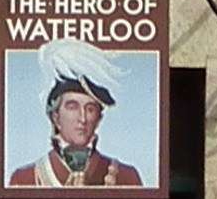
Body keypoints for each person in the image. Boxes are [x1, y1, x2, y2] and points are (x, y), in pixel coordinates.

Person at [9, 45, 145, 190]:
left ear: (99, 119)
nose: (83, 118)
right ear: (56, 117)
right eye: (72, 107)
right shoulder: (25, 178)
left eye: (90, 109)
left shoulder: (126, 177)